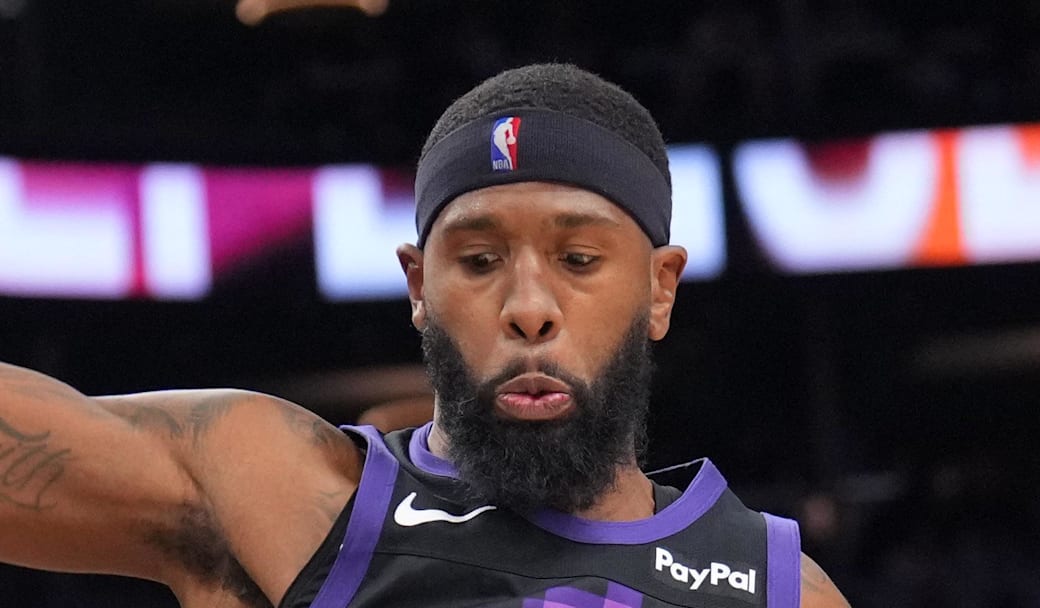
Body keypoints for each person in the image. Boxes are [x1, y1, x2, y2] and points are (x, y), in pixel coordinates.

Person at [0, 63, 849, 608]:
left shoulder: (773, 590)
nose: (527, 306)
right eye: (478, 261)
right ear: (419, 287)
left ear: (659, 288)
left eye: (579, 258)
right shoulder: (282, 498)